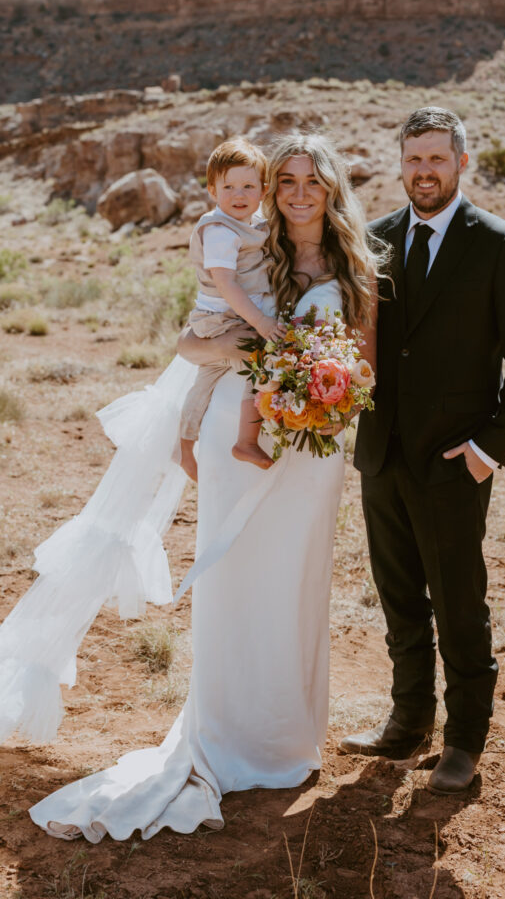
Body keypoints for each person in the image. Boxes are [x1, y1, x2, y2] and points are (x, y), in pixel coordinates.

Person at [15, 132, 380, 841]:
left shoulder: (353, 266)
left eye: (312, 180)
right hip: (236, 435)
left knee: (295, 586)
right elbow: (190, 343)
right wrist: (251, 354)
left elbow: (363, 366)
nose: (298, 192)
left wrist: (326, 398)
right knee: (236, 583)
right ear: (273, 190)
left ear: (332, 189)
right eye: (286, 181)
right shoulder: (252, 249)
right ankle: (227, 737)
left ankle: (284, 741)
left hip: (312, 450)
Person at [342, 107, 505, 794]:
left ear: (461, 162)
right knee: (399, 600)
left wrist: (488, 449)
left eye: (435, 158)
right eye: (412, 160)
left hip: (452, 462)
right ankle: (407, 723)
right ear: (400, 166)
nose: (423, 171)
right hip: (382, 455)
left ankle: (463, 740)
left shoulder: (497, 243)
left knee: (458, 603)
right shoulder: (372, 239)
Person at [178, 137, 283, 480]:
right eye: (229, 186)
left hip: (223, 317)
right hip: (221, 319)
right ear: (212, 190)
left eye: (248, 186)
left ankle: (184, 444)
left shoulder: (250, 225)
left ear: (263, 191)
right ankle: (246, 439)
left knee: (205, 380)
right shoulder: (221, 230)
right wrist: (263, 323)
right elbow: (227, 284)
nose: (239, 195)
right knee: (263, 359)